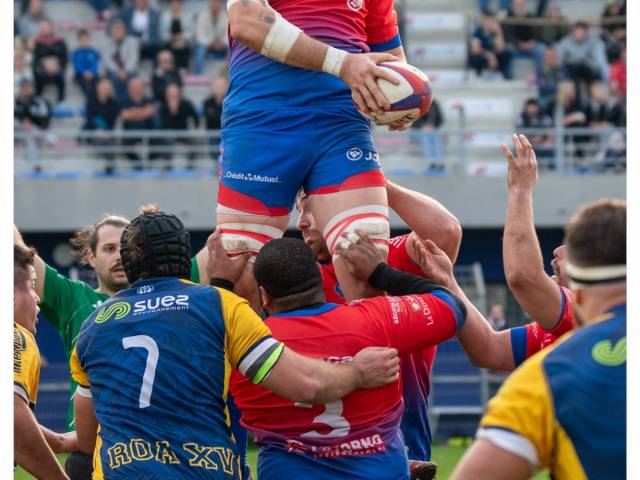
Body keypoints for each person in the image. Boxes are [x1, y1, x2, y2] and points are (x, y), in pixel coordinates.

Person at [70, 211, 400, 479]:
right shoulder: (218, 304)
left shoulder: (93, 327)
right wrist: (358, 373)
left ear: (129, 263)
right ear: (185, 255)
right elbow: (306, 385)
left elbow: (86, 431)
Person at [227, 236, 466, 480]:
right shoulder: (375, 319)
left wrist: (220, 284)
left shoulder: (245, 347)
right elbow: (452, 307)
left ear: (265, 296)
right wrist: (380, 272)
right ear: (321, 279)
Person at [220, 0, 410, 304]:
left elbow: (393, 62)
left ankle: (359, 352)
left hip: (341, 127)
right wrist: (344, 64)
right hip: (262, 123)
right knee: (241, 276)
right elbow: (246, 22)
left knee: (365, 264)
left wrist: (402, 97)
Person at [14, 209, 210, 480]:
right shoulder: (73, 297)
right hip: (92, 450)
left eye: (126, 248)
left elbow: (220, 249)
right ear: (91, 257)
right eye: (108, 248)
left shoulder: (172, 295)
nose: (119, 255)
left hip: (161, 447)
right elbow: (18, 254)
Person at [451, 198, 626, 480]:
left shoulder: (548, 374)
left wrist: (520, 188)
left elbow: (523, 276)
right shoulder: (555, 336)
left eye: (573, 247)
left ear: (578, 294)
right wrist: (447, 281)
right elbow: (489, 349)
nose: (555, 251)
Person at [294, 182, 461, 475]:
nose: (301, 222)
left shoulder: (386, 259)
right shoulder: (299, 282)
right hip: (320, 461)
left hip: (400, 458)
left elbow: (445, 231)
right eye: (299, 211)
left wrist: (368, 182)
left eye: (308, 207)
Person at [14, 243, 77, 480]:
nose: (38, 298)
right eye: (31, 286)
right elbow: (10, 417)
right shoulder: (15, 336)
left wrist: (60, 442)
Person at [557, 21, 607, 99]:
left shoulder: (595, 42)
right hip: (572, 69)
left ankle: (592, 103)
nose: (579, 35)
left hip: (589, 69)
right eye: (577, 32)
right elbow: (559, 60)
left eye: (581, 32)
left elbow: (600, 60)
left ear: (586, 33)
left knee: (598, 76)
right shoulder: (565, 42)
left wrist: (590, 63)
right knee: (571, 82)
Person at [82, 77, 121, 175]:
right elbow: (90, 120)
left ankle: (110, 164)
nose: (106, 88)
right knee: (101, 138)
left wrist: (104, 131)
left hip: (107, 133)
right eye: (104, 86)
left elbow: (112, 122)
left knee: (109, 140)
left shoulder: (114, 104)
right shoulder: (91, 101)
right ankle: (110, 164)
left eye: (108, 86)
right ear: (98, 87)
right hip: (92, 132)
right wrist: (98, 129)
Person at [14, 77, 52, 170]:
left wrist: (42, 127)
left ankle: (36, 164)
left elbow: (45, 116)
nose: (25, 89)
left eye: (28, 87)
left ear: (32, 88)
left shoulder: (39, 101)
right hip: (18, 129)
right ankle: (35, 164)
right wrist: (24, 121)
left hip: (38, 129)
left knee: (47, 138)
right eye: (23, 87)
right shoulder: (16, 101)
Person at [159, 83, 199, 168]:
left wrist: (195, 129)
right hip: (169, 134)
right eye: (171, 94)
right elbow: (162, 125)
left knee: (196, 141)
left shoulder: (186, 104)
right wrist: (172, 112)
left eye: (175, 93)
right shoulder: (163, 106)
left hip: (184, 132)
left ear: (179, 94)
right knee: (166, 140)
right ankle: (168, 167)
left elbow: (195, 118)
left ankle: (190, 166)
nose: (173, 96)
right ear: (167, 95)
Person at [120, 77, 157, 169]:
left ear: (142, 89)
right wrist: (143, 112)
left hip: (148, 132)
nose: (136, 90)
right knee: (124, 145)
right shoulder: (123, 100)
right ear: (129, 89)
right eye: (134, 88)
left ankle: (148, 164)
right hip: (130, 134)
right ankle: (139, 165)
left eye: (138, 88)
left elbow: (151, 111)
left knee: (161, 142)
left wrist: (133, 112)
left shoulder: (148, 99)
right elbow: (125, 115)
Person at [501, 0, 545, 77]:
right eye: (517, 4)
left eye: (521, 4)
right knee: (507, 49)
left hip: (531, 46)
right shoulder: (508, 18)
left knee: (541, 49)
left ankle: (540, 76)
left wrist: (532, 42)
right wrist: (519, 44)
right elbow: (508, 36)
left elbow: (538, 33)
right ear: (512, 6)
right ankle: (508, 76)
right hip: (516, 46)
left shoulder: (531, 17)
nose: (519, 6)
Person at [103, 19, 140, 102]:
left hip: (129, 70)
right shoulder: (107, 43)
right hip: (114, 70)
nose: (118, 32)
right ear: (112, 32)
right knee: (114, 78)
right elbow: (107, 60)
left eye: (120, 30)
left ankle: (129, 101)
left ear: (124, 31)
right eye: (116, 30)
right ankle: (120, 102)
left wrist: (125, 71)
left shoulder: (132, 41)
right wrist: (118, 71)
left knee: (132, 78)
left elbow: (133, 59)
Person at [468, 10, 512, 79]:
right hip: (483, 56)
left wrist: (498, 32)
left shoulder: (495, 32)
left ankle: (499, 73)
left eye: (491, 21)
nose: (489, 23)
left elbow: (501, 48)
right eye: (487, 21)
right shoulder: (477, 32)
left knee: (506, 53)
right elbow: (475, 49)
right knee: (475, 57)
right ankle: (479, 74)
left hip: (494, 56)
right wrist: (489, 55)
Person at [33, 19, 68, 102]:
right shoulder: (37, 42)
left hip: (57, 69)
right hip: (42, 70)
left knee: (61, 78)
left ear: (51, 27)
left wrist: (58, 66)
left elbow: (64, 58)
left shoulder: (60, 41)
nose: (43, 29)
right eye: (42, 27)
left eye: (45, 27)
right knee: (38, 77)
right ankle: (38, 98)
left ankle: (61, 100)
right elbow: (35, 58)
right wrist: (44, 64)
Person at [193, 0, 229, 74]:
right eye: (213, 4)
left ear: (220, 5)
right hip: (207, 44)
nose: (215, 6)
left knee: (232, 48)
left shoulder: (225, 17)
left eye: (217, 4)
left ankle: (229, 74)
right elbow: (200, 35)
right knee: (200, 49)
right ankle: (197, 75)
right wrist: (211, 43)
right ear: (209, 5)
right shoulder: (202, 16)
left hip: (222, 44)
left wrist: (221, 43)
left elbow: (227, 34)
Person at [409, 98, 445, 172]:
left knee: (436, 137)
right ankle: (430, 161)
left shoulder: (435, 103)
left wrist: (433, 126)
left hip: (432, 130)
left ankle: (438, 161)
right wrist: (423, 126)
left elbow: (440, 119)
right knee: (425, 136)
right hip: (417, 130)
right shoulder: (417, 104)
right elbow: (412, 121)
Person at [515, 98, 554, 166]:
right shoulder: (520, 118)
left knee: (550, 149)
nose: (532, 109)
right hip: (527, 144)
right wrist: (531, 140)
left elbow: (550, 132)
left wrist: (547, 141)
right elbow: (519, 134)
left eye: (533, 106)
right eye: (530, 106)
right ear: (526, 107)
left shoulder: (545, 118)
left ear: (537, 107)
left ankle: (550, 170)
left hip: (542, 144)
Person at [160, 0, 192, 71]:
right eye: (173, 3)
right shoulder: (165, 16)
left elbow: (192, 33)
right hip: (169, 42)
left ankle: (183, 70)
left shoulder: (187, 16)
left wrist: (182, 36)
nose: (175, 5)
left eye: (177, 3)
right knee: (164, 50)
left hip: (183, 42)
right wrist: (170, 37)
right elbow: (162, 33)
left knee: (184, 49)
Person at [202, 76, 226, 159]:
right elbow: (211, 121)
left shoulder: (229, 102)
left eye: (221, 86)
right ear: (212, 88)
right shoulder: (207, 102)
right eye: (217, 86)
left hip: (225, 134)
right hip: (212, 134)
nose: (219, 89)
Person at [72, 29, 101, 99]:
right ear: (78, 40)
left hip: (92, 74)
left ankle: (95, 97)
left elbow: (95, 64)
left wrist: (92, 72)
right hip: (81, 74)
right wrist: (84, 72)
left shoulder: (94, 52)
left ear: (89, 39)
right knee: (82, 81)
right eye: (82, 39)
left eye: (86, 39)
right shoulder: (76, 52)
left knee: (97, 81)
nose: (84, 41)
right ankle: (89, 98)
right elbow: (77, 65)